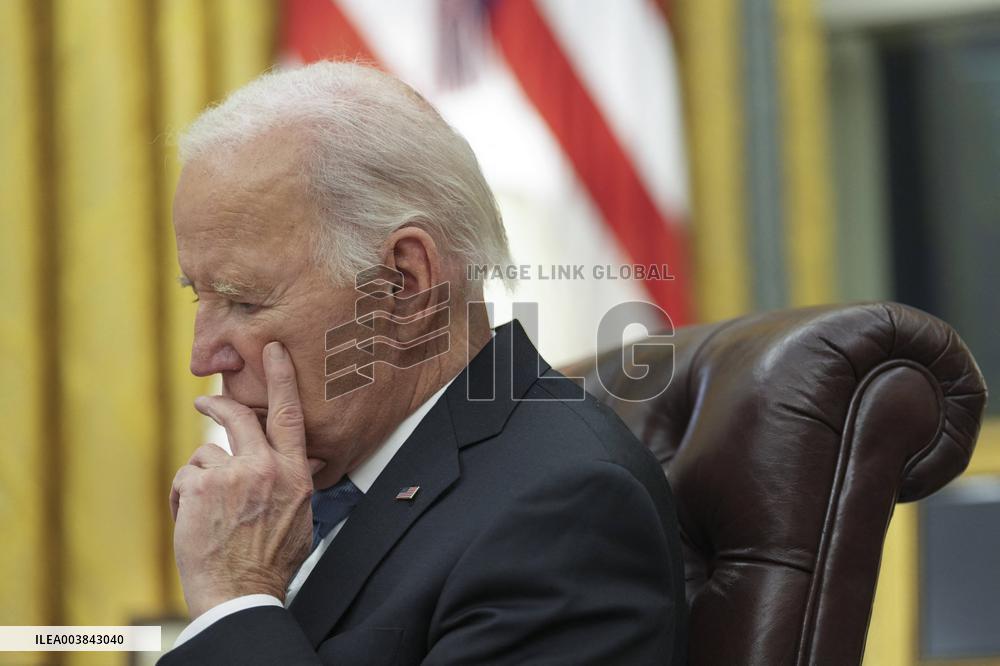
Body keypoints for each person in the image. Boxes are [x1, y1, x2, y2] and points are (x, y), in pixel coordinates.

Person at [159, 61, 687, 665]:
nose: (203, 357)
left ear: (404, 284)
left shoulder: (567, 507)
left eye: (246, 301)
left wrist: (237, 598)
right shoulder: (306, 493)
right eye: (200, 295)